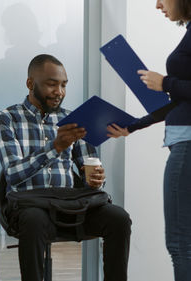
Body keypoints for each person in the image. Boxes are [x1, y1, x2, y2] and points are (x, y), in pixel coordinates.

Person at [0, 54, 132, 281]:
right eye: (51, 84)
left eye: (64, 84)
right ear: (31, 84)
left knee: (119, 219)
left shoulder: (73, 119)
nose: (59, 91)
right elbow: (13, 173)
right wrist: (55, 147)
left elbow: (89, 168)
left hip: (69, 206)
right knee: (34, 221)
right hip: (29, 205)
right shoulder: (8, 118)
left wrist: (96, 179)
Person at [107, 1, 191, 280]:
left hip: (187, 145)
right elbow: (180, 100)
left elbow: (175, 91)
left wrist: (165, 83)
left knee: (180, 243)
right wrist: (133, 126)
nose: (157, 5)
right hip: (183, 140)